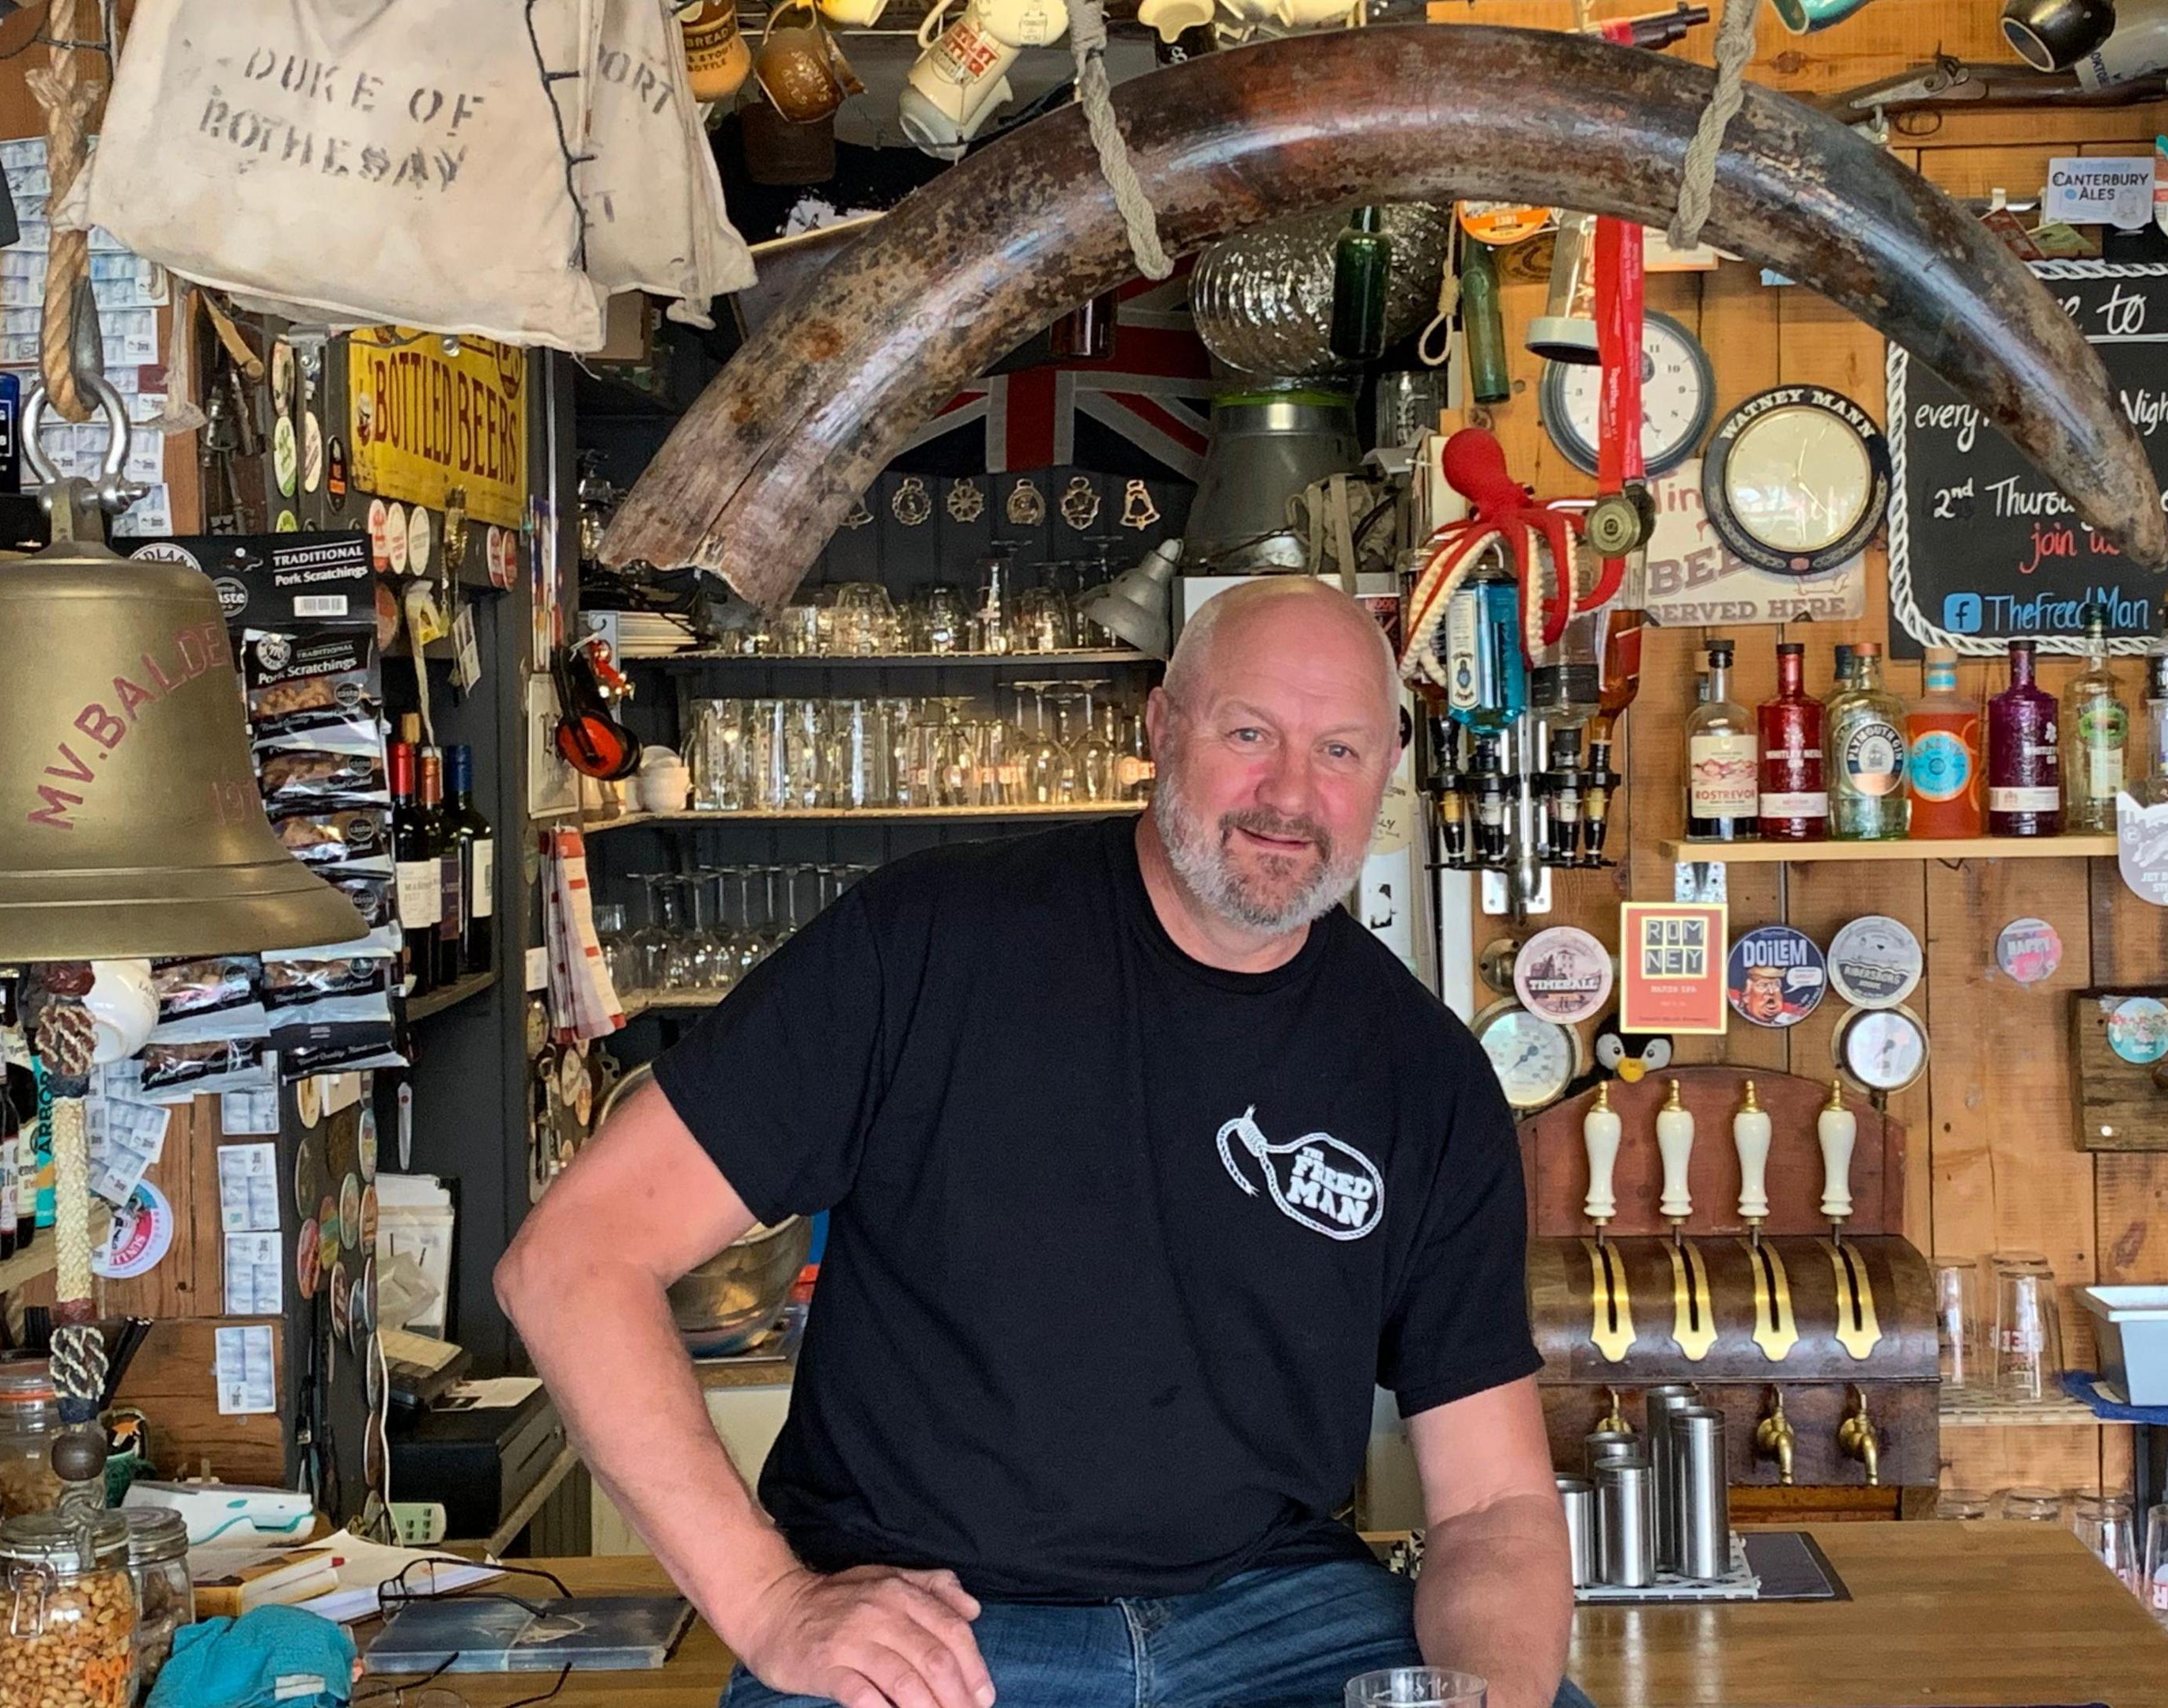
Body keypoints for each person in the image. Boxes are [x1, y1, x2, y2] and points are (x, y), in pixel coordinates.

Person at [498, 576, 1578, 1708]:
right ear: (1161, 728)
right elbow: (571, 1262)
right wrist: (770, 1603)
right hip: (938, 1624)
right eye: (1249, 733)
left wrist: (1485, 1699)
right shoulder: (926, 945)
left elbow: (1494, 1507)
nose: (1290, 794)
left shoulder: (1424, 1075)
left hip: (1278, 1619)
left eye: (1342, 751)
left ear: (1387, 769)